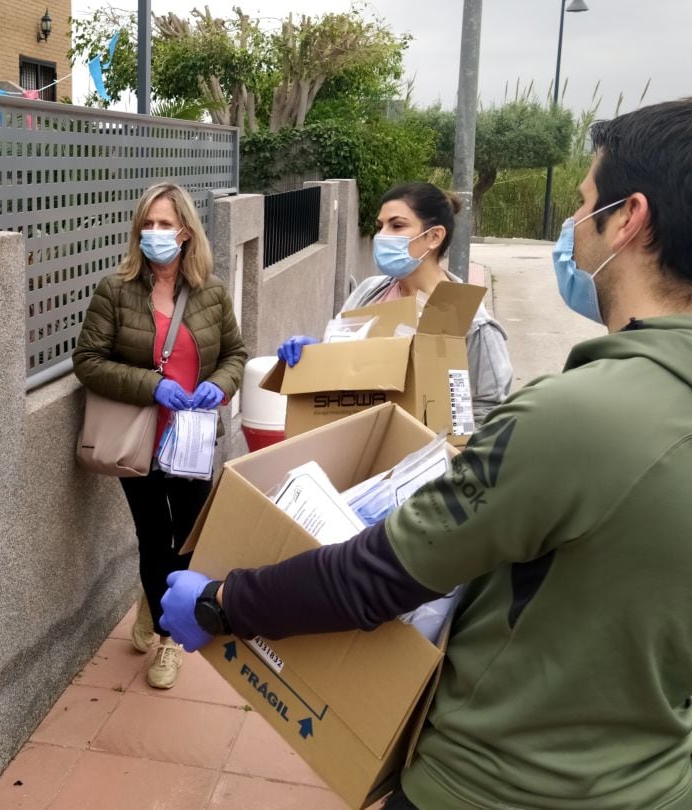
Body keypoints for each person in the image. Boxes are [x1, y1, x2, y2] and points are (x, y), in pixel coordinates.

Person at [161, 99, 692, 809]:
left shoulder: (572, 414)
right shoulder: (370, 296)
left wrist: (224, 602)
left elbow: (381, 576)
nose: (572, 228)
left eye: (584, 203)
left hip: (494, 781)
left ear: (630, 219)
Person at [72, 182, 247, 689]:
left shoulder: (211, 293)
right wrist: (154, 386)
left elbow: (235, 353)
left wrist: (219, 385)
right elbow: (88, 362)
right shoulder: (116, 290)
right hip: (141, 439)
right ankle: (170, 638)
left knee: (187, 537)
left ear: (186, 233)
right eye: (147, 224)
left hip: (193, 440)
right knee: (153, 536)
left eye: (165, 224)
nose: (154, 233)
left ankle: (156, 606)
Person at [278, 182, 512, 425]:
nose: (382, 236)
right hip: (357, 446)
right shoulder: (369, 292)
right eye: (380, 226)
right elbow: (342, 365)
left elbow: (491, 411)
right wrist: (314, 353)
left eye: (397, 226)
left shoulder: (471, 321)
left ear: (434, 236)